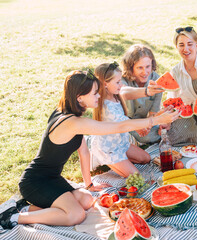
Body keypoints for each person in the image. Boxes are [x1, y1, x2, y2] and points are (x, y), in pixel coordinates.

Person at [0, 70, 179, 229]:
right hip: (35, 181)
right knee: (77, 215)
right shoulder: (71, 122)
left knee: (86, 200)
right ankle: (15, 216)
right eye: (94, 93)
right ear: (79, 97)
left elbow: (83, 152)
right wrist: (155, 121)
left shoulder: (72, 114)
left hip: (52, 178)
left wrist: (89, 184)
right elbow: (118, 127)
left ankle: (26, 207)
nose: (99, 96)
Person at [91, 61, 163, 177]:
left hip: (121, 142)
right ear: (105, 84)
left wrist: (139, 128)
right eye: (118, 82)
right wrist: (154, 121)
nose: (121, 85)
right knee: (136, 177)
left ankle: (124, 163)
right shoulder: (106, 107)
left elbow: (123, 118)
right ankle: (109, 161)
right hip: (110, 149)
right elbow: (125, 123)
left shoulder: (115, 95)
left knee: (146, 158)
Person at [119, 44, 165, 144]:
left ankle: (133, 140)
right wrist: (136, 126)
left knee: (161, 132)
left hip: (144, 122)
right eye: (140, 68)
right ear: (131, 68)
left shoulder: (156, 80)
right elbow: (122, 92)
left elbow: (153, 113)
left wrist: (147, 127)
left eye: (148, 66)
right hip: (122, 123)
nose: (145, 72)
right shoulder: (121, 79)